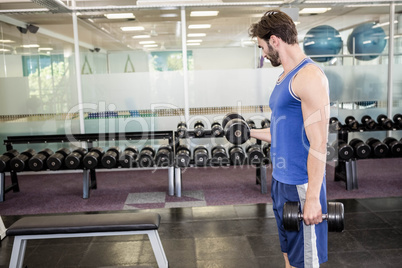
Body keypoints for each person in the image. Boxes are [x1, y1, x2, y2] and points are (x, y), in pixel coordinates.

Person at [249, 10, 330, 268]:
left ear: (274, 41)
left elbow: (318, 143)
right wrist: (246, 132)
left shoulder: (309, 77)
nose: (263, 54)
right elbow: (281, 132)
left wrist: (313, 198)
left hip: (301, 185)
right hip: (280, 182)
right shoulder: (284, 76)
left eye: (262, 47)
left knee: (305, 261)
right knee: (290, 256)